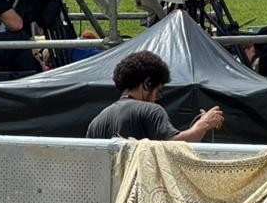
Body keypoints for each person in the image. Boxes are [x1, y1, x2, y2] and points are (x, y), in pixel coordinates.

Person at [86, 51, 225, 141]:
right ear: (147, 84)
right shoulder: (151, 110)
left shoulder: (96, 123)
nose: (155, 99)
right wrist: (203, 124)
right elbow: (175, 147)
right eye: (157, 91)